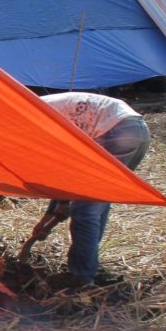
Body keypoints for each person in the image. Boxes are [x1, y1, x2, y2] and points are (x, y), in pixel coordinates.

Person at [40, 92, 151, 285]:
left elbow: (63, 167)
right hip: (137, 129)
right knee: (99, 199)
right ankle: (88, 263)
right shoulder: (41, 105)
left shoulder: (31, 117)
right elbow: (68, 171)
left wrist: (57, 208)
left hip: (115, 131)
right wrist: (56, 208)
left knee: (85, 209)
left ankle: (81, 275)